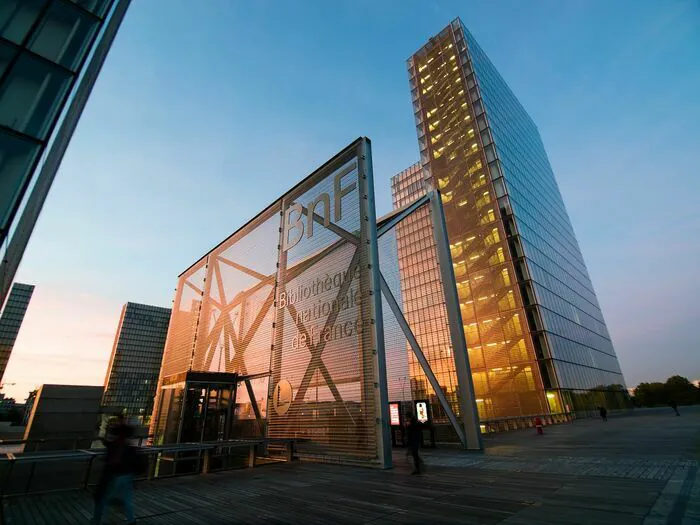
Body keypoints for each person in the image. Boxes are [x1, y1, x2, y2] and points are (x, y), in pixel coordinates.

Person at [92, 415, 137, 525]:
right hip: (126, 473)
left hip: (114, 474)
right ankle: (131, 520)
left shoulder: (116, 442)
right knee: (126, 498)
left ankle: (97, 520)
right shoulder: (128, 444)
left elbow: (108, 444)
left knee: (103, 498)